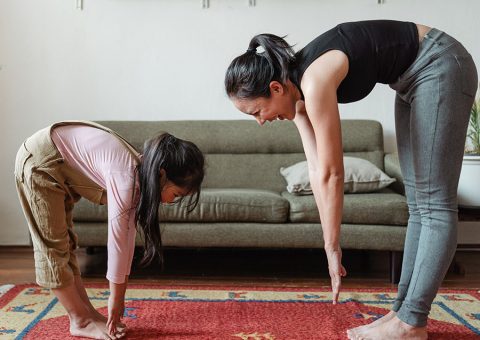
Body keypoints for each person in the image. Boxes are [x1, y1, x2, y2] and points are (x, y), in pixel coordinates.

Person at [224, 20, 478, 339]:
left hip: (440, 64)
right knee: (419, 205)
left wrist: (333, 247)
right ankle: (402, 313)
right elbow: (317, 170)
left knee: (434, 204)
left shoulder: (314, 81)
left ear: (276, 88)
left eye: (256, 112)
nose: (260, 121)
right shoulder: (298, 97)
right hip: (410, 79)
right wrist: (328, 243)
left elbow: (333, 172)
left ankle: (412, 322)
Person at [14, 121, 205, 340]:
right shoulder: (126, 178)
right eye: (177, 195)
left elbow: (128, 236)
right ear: (162, 174)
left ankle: (88, 315)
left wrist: (118, 296)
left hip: (58, 164)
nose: (172, 202)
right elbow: (118, 242)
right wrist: (116, 299)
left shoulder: (139, 176)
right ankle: (81, 320)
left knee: (66, 244)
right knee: (53, 249)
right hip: (40, 162)